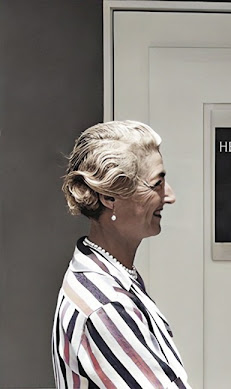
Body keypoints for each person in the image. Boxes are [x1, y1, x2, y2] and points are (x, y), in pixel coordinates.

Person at [51, 120, 190, 388]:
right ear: (110, 197)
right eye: (157, 184)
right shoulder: (106, 306)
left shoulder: (110, 276)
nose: (169, 196)